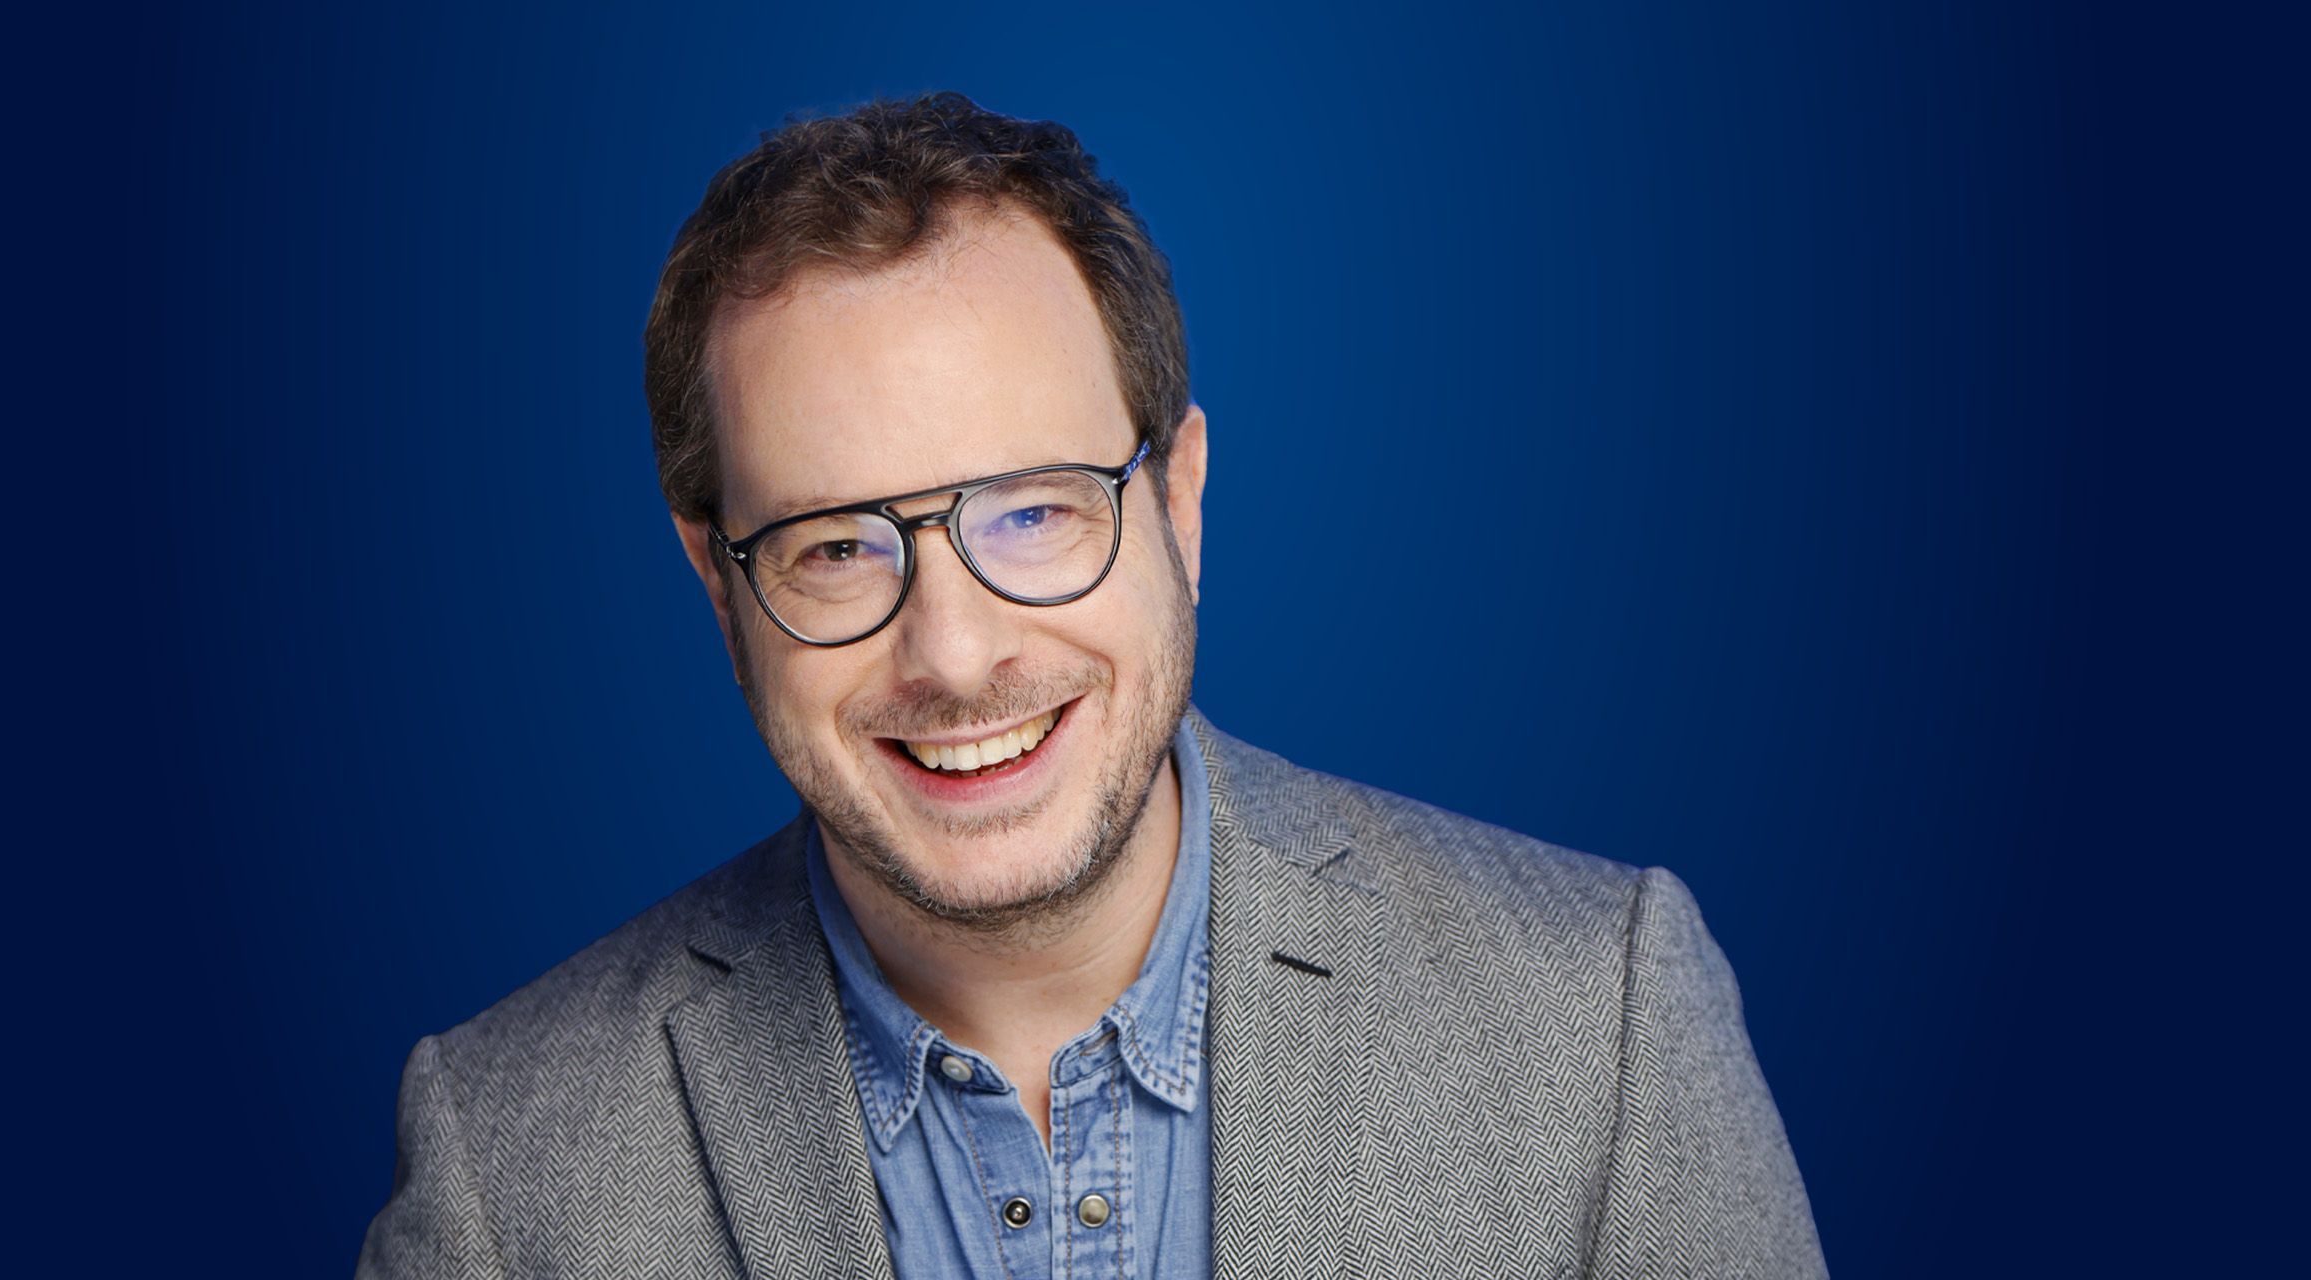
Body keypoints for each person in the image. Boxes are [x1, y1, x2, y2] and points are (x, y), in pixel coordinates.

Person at [357, 92, 1824, 1279]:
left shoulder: (1600, 1028)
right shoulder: (507, 1169)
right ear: (717, 583)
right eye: (836, 548)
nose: (953, 654)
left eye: (1036, 511)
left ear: (1180, 502)